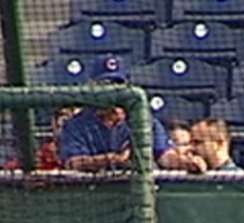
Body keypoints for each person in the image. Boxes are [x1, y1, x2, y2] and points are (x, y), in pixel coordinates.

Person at [58, 55, 208, 174]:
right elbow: (73, 163)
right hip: (90, 196)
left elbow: (165, 157)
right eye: (105, 84)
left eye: (117, 84)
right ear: (93, 86)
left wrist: (185, 163)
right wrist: (112, 160)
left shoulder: (144, 120)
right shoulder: (76, 125)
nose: (112, 90)